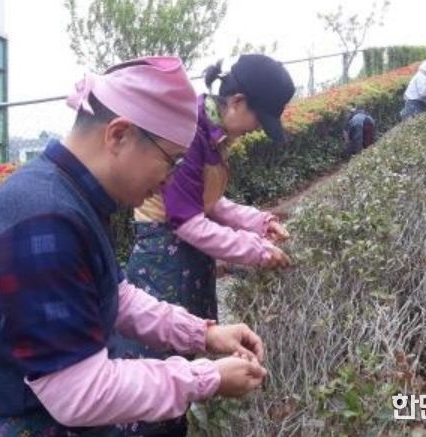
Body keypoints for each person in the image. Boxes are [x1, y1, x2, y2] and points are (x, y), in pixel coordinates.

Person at [0, 56, 268, 436]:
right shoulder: (44, 221)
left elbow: (116, 294)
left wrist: (204, 334)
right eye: (171, 161)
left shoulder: (72, 195)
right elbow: (79, 392)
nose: (169, 180)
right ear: (118, 135)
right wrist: (206, 377)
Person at [115, 54, 294, 435]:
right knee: (159, 361)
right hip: (163, 261)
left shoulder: (214, 134)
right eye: (259, 119)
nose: (257, 129)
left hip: (188, 260)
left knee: (187, 352)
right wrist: (257, 251)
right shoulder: (189, 132)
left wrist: (260, 222)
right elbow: (187, 221)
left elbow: (209, 202)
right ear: (238, 102)